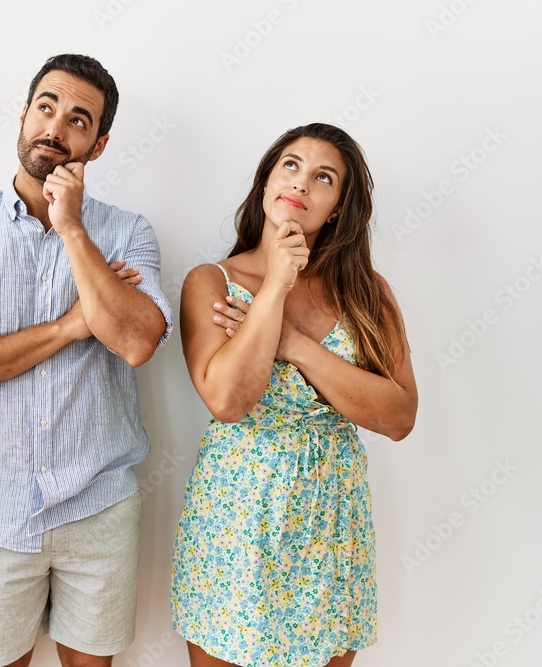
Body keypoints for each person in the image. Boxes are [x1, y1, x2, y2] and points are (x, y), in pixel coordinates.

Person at [0, 54, 173, 667]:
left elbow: (135, 342)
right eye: (47, 107)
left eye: (78, 120)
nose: (56, 128)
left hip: (99, 503)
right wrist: (72, 326)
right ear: (24, 114)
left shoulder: (130, 232)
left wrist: (73, 228)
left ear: (99, 144)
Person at [171, 123, 418, 667]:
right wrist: (278, 283)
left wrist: (298, 347)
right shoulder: (211, 283)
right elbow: (229, 401)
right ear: (265, 184)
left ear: (336, 209)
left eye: (323, 177)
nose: (301, 183)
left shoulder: (366, 293)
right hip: (238, 514)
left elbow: (399, 415)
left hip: (332, 517)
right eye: (290, 165)